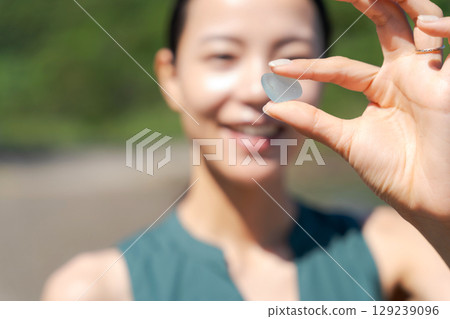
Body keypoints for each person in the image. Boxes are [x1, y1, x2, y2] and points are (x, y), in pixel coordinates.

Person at [41, 0, 450, 301]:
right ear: (171, 77)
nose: (257, 89)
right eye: (223, 56)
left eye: (293, 58)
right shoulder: (94, 292)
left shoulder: (402, 248)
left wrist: (439, 206)